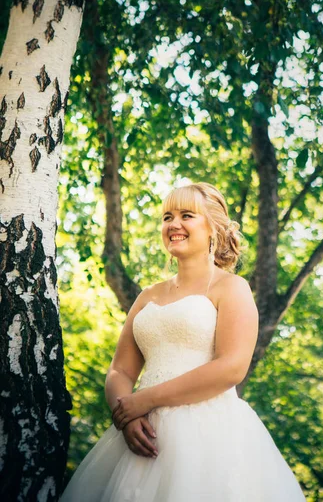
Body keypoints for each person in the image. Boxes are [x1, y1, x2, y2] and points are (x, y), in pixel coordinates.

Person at [60, 182, 306, 501]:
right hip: (141, 433)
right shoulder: (147, 296)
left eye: (186, 215)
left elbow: (232, 367)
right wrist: (127, 415)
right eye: (167, 217)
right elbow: (120, 370)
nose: (174, 224)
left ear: (212, 226)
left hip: (209, 434)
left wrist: (144, 400)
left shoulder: (232, 288)